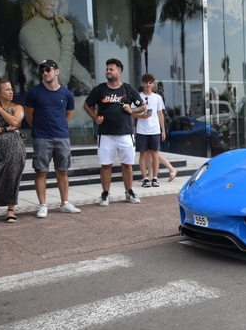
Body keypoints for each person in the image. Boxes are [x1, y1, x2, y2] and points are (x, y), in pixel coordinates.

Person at [83, 58, 145, 206]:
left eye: (111, 69)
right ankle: (105, 194)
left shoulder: (128, 89)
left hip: (125, 133)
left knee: (127, 164)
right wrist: (95, 117)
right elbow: (86, 105)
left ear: (119, 72)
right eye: (107, 69)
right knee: (105, 165)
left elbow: (142, 106)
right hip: (105, 134)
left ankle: (129, 192)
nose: (108, 71)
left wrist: (132, 110)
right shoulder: (100, 89)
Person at [19, 0, 93, 95]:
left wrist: (97, 87)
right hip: (41, 103)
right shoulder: (29, 31)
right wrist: (67, 35)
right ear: (35, 0)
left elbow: (72, 65)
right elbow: (61, 77)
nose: (52, 2)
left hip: (58, 100)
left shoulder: (55, 26)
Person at [24, 59, 81, 218]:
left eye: (48, 69)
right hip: (41, 137)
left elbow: (67, 116)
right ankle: (43, 205)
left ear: (57, 71)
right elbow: (30, 116)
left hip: (62, 137)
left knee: (62, 171)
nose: (45, 73)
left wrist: (58, 127)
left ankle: (65, 203)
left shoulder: (67, 94)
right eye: (42, 71)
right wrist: (40, 128)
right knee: (41, 172)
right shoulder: (34, 92)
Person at [0, 78, 26, 223]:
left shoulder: (17, 107)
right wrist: (4, 129)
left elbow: (15, 122)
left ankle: (10, 210)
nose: (11, 92)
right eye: (7, 89)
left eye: (11, 89)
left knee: (12, 177)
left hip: (15, 148)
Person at [131, 74, 166, 188]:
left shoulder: (157, 97)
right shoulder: (138, 97)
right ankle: (145, 178)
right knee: (143, 154)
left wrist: (163, 130)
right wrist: (142, 116)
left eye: (150, 82)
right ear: (143, 83)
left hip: (155, 129)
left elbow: (160, 114)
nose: (148, 84)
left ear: (153, 84)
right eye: (146, 82)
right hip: (142, 130)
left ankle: (155, 177)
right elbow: (132, 113)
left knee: (155, 154)